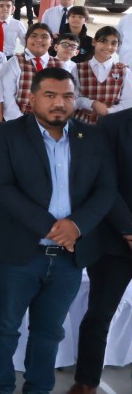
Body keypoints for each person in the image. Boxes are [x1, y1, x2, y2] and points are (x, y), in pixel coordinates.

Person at [0, 67, 117, 394]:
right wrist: (54, 227)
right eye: (50, 95)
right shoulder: (7, 134)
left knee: (49, 331)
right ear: (32, 99)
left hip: (69, 258)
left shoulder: (92, 136)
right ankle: (1, 387)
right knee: (6, 327)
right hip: (18, 253)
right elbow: (0, 186)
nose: (59, 103)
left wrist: (76, 226)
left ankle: (39, 388)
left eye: (68, 96)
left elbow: (106, 190)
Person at [70, 110, 132, 394]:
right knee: (99, 315)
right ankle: (87, 383)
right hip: (115, 241)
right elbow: (105, 183)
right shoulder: (112, 124)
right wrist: (129, 231)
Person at [0, 22, 61, 123]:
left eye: (44, 36)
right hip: (18, 121)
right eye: (34, 36)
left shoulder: (59, 65)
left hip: (50, 121)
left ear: (51, 42)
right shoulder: (15, 62)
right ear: (26, 40)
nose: (38, 40)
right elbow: (7, 97)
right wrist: (23, 123)